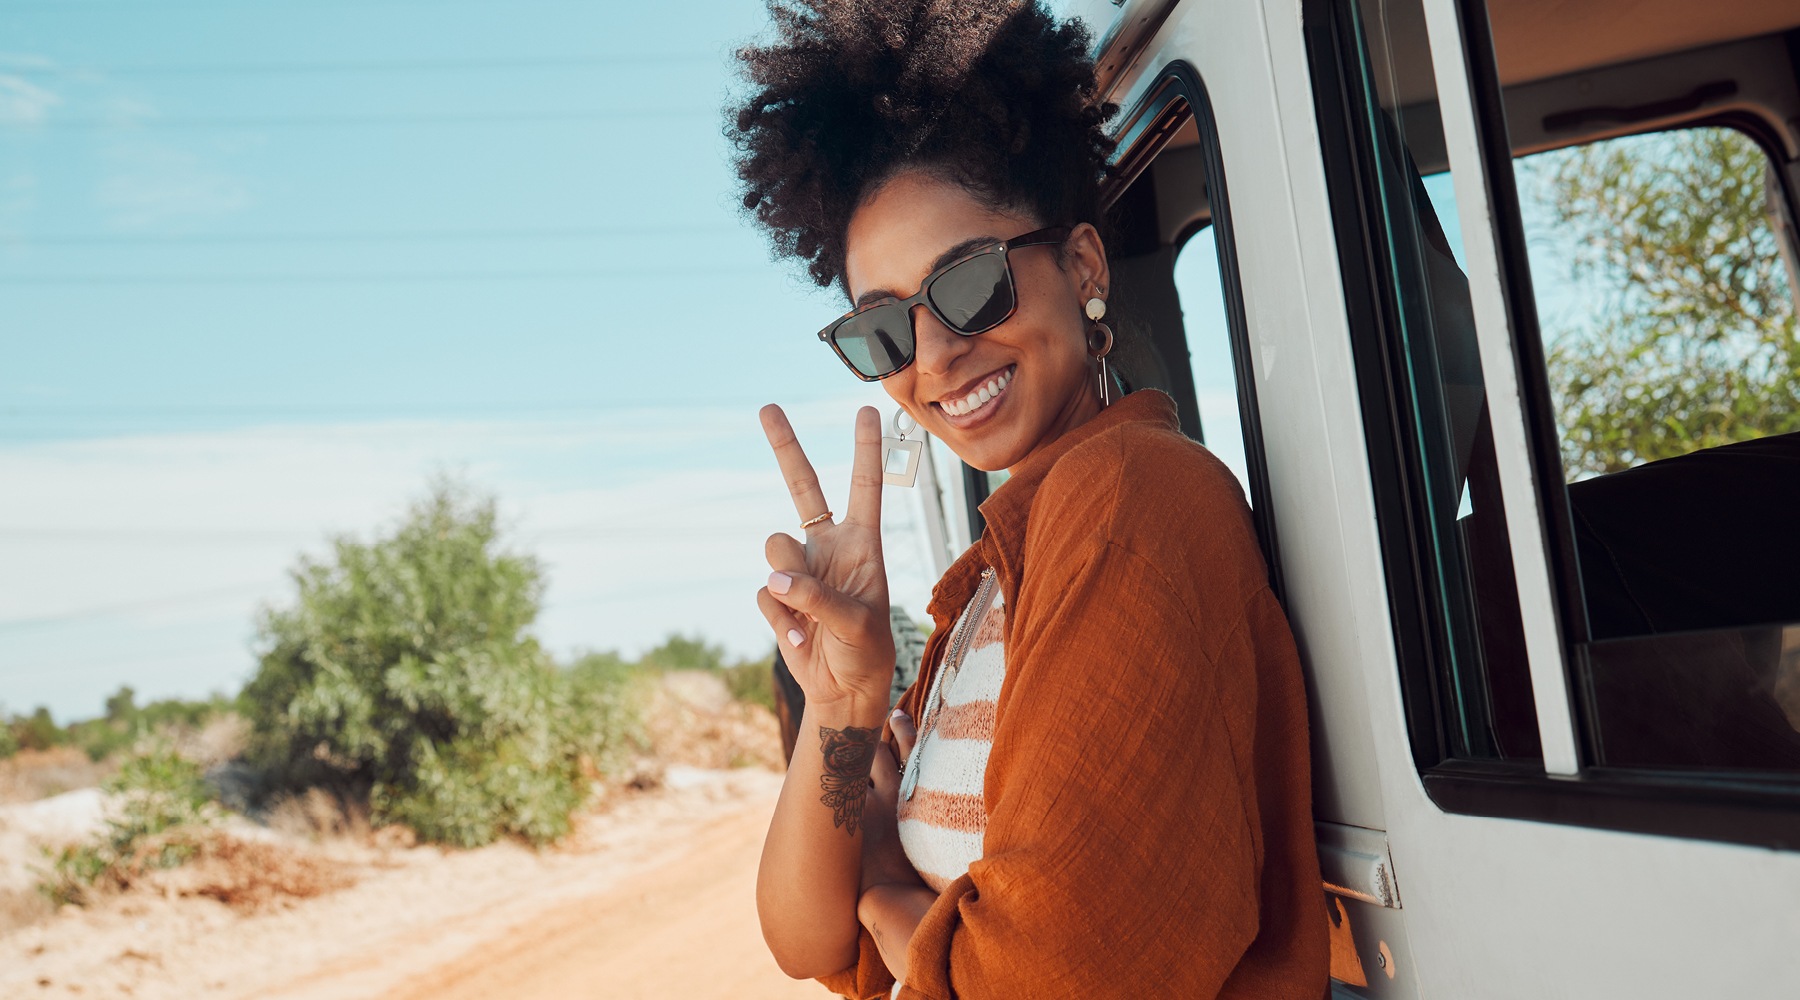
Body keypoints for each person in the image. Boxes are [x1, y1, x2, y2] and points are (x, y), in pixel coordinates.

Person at [730, 3, 1328, 997]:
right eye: (883, 331)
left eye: (968, 285)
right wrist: (842, 707)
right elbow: (806, 940)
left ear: (1081, 266)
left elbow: (1050, 977)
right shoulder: (991, 584)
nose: (935, 356)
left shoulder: (1131, 500)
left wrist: (881, 886)